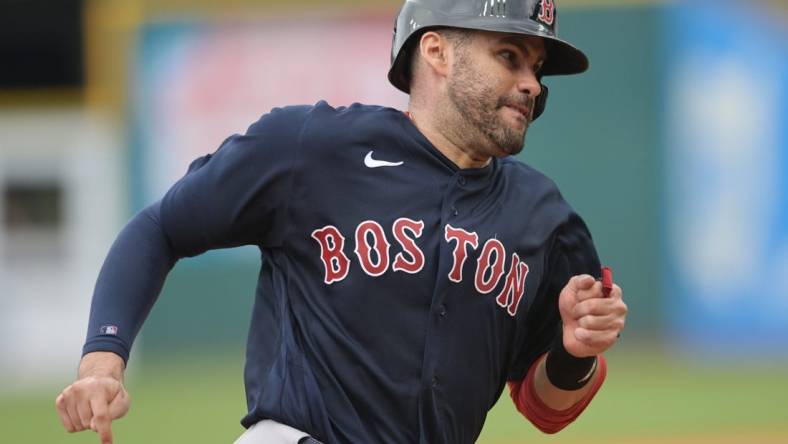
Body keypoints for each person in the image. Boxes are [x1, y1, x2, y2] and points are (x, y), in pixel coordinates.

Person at [55, 0, 628, 443]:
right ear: (437, 52)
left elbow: (544, 407)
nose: (531, 82)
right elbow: (163, 227)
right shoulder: (312, 147)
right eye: (509, 55)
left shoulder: (545, 217)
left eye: (537, 66)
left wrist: (577, 350)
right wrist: (102, 361)